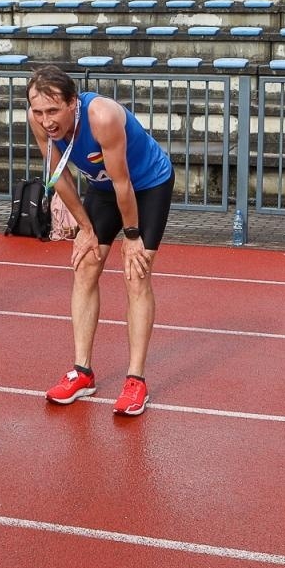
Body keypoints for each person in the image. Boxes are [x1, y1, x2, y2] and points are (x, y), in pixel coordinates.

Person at [27, 65, 174, 416]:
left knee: (136, 272)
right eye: (39, 112)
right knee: (85, 264)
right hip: (104, 187)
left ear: (73, 103)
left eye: (53, 111)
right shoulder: (37, 119)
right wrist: (86, 229)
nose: (46, 121)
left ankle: (136, 379)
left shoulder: (102, 116)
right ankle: (82, 372)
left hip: (147, 184)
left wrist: (132, 236)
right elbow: (56, 173)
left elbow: (124, 183)